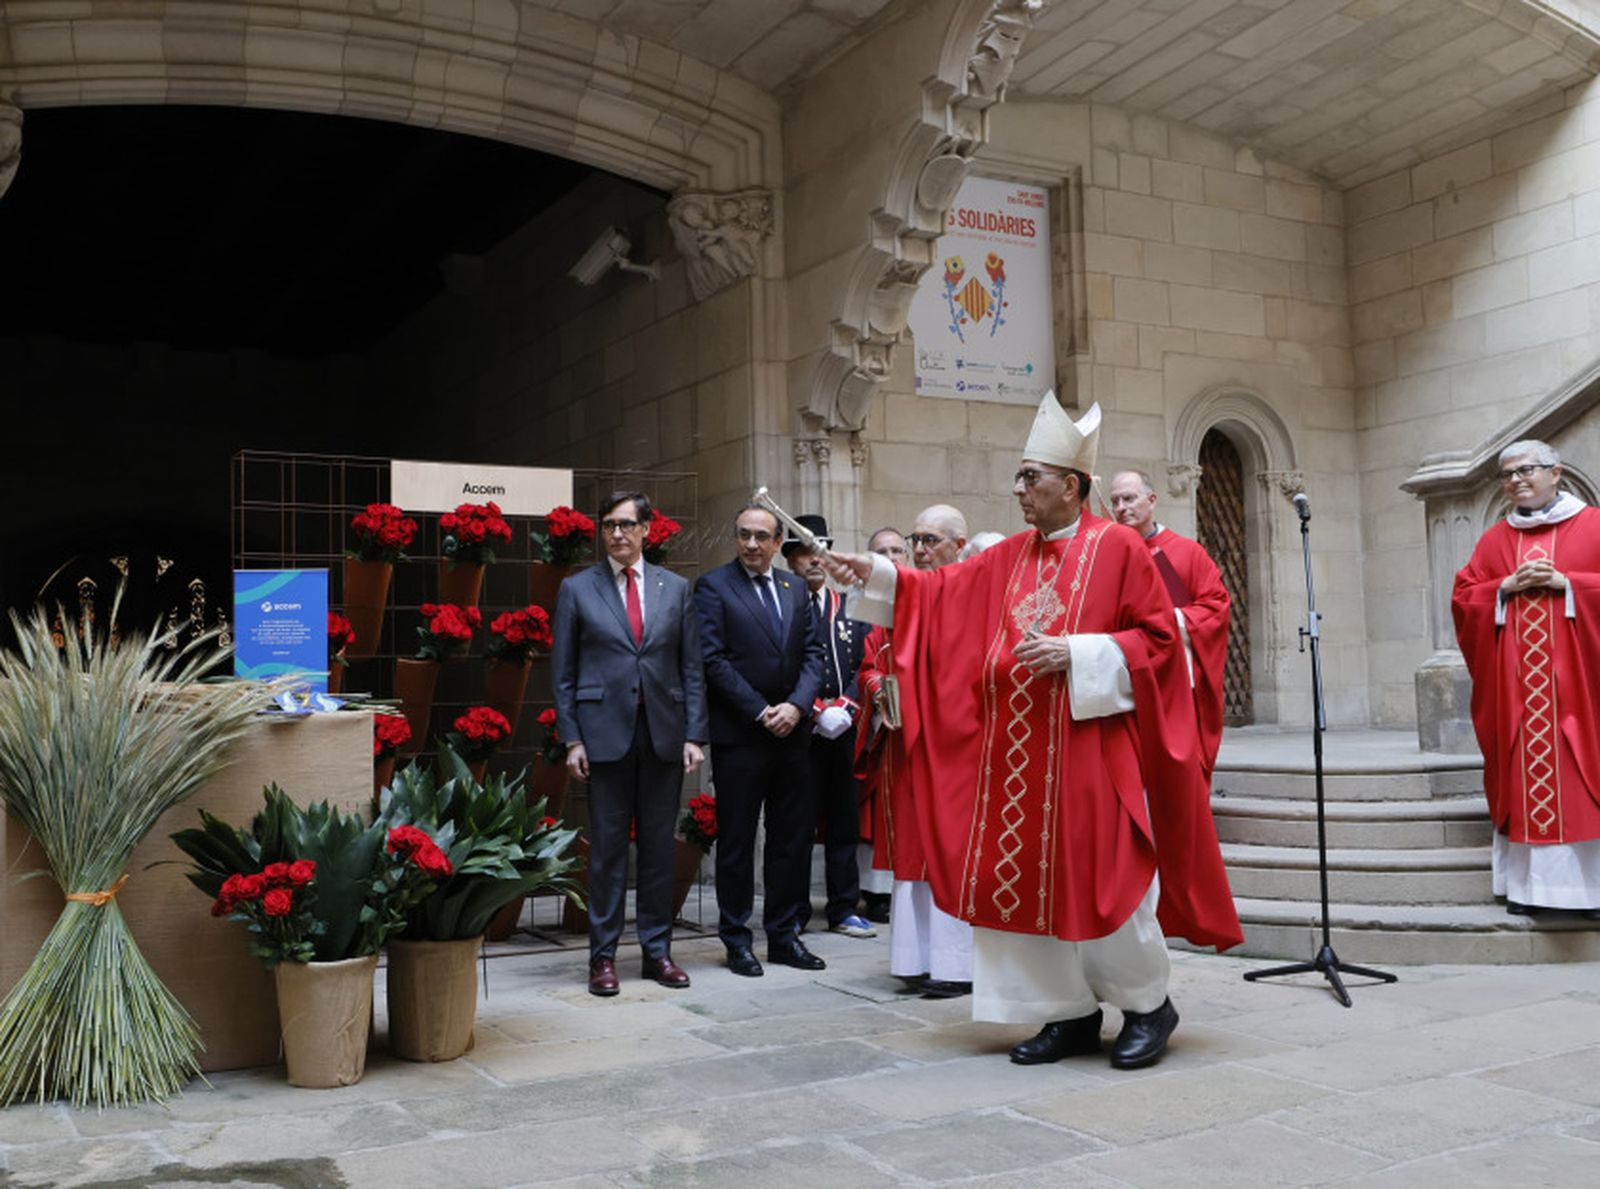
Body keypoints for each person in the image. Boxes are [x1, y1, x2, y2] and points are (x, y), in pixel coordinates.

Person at [826, 394, 1241, 1069]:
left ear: (1072, 485)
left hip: (1091, 752)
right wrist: (875, 574)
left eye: (1031, 477)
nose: (1018, 489)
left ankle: (1146, 1005)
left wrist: (1081, 653)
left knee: (1110, 881)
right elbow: (941, 595)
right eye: (1018, 477)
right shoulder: (1009, 554)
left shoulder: (1120, 549)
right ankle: (1067, 1012)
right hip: (1016, 759)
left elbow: (1162, 641)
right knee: (1023, 881)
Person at [552, 491, 708, 996]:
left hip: (663, 734)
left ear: (646, 530)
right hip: (603, 736)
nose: (616, 534)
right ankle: (602, 958)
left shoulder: (676, 589)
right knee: (609, 852)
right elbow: (564, 674)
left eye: (625, 525)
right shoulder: (578, 590)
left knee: (660, 849)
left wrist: (693, 734)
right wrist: (572, 737)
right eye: (608, 526)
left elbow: (691, 668)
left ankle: (657, 953)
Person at [1453, 440, 1600, 919]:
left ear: (1556, 472)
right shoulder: (1495, 540)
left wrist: (1570, 585)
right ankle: (1529, 891)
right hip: (1519, 697)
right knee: (1522, 776)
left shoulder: (1593, 526)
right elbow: (1464, 597)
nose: (1516, 479)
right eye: (1507, 474)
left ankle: (1587, 894)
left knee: (1581, 780)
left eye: (1527, 470)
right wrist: (1503, 588)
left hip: (1579, 694)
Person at [695, 503, 828, 976]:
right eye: (744, 535)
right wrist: (759, 710)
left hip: (793, 735)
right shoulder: (714, 586)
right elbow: (712, 660)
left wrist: (796, 706)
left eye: (761, 537)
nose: (751, 544)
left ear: (777, 544)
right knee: (737, 842)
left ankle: (784, 936)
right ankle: (736, 940)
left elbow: (815, 654)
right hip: (742, 736)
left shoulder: (795, 588)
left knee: (790, 841)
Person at [854, 505, 975, 999]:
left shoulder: (972, 595)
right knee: (914, 853)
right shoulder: (900, 599)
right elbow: (871, 658)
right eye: (916, 539)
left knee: (951, 852)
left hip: (957, 749)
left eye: (930, 541)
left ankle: (957, 964)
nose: (921, 550)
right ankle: (914, 958)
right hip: (908, 746)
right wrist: (880, 685)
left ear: (959, 546)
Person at [783, 514, 877, 941]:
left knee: (843, 821)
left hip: (845, 730)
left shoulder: (851, 607)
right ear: (790, 561)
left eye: (818, 550)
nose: (813, 560)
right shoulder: (784, 606)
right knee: (797, 823)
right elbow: (780, 669)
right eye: (803, 553)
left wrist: (846, 705)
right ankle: (795, 909)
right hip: (800, 730)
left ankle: (843, 907)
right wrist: (816, 710)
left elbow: (867, 662)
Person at [1107, 470, 1232, 776]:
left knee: (1176, 772)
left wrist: (1168, 620)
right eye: (1115, 501)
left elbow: (1216, 607)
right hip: (1127, 679)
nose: (1122, 507)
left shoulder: (1187, 553)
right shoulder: (1110, 556)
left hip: (1175, 680)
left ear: (1151, 500)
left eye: (1129, 498)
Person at [856, 527, 907, 924]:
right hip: (885, 727)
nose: (891, 557)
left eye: (897, 550)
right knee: (881, 807)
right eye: (881, 552)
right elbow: (867, 666)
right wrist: (883, 694)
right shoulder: (866, 608)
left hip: (929, 728)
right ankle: (877, 890)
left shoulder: (928, 596)